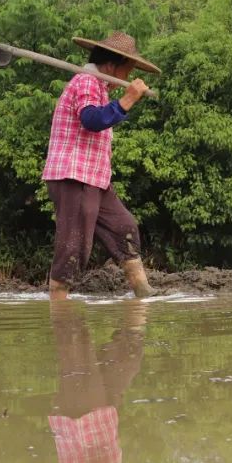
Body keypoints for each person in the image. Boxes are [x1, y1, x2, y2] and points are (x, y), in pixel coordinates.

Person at [42, 31, 159, 300]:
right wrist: (127, 100)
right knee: (73, 246)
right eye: (129, 69)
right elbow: (92, 120)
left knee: (124, 227)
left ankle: (143, 292)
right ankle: (59, 305)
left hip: (95, 178)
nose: (129, 76)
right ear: (113, 65)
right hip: (74, 176)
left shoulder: (99, 87)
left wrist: (119, 100)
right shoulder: (86, 81)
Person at [48, 300, 148, 463]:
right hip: (105, 418)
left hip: (81, 420)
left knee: (76, 338)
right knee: (129, 355)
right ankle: (138, 299)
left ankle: (61, 292)